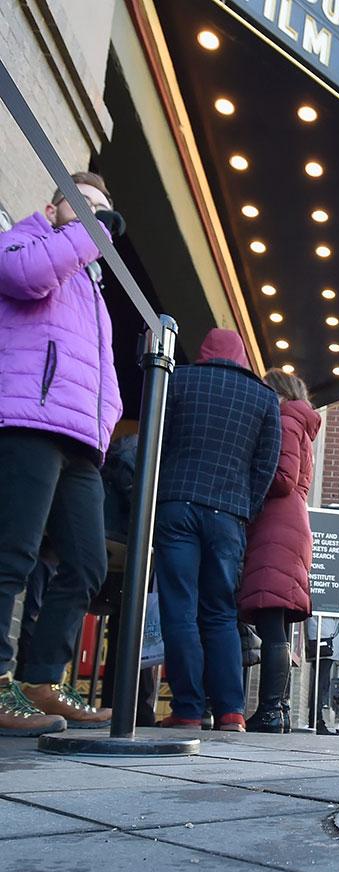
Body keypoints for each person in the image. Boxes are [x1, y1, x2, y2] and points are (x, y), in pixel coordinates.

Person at [0, 171, 123, 735]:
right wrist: (84, 234)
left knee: (88, 563)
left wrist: (107, 420)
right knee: (12, 555)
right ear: (54, 207)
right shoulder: (26, 239)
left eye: (102, 211)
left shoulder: (90, 283)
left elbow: (102, 370)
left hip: (79, 439)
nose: (96, 219)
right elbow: (22, 277)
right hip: (30, 417)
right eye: (85, 206)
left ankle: (40, 679)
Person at [154, 329, 280, 732]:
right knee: (222, 612)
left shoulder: (179, 379)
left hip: (177, 503)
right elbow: (266, 464)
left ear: (204, 353)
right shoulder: (263, 397)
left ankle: (189, 710)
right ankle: (231, 711)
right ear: (241, 357)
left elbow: (160, 440)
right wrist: (245, 506)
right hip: (228, 514)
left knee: (180, 608)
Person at [237, 368, 320, 733]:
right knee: (279, 627)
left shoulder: (286, 418)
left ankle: (270, 709)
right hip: (291, 524)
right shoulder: (301, 421)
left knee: (273, 623)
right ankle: (280, 708)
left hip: (276, 523)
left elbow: (282, 477)